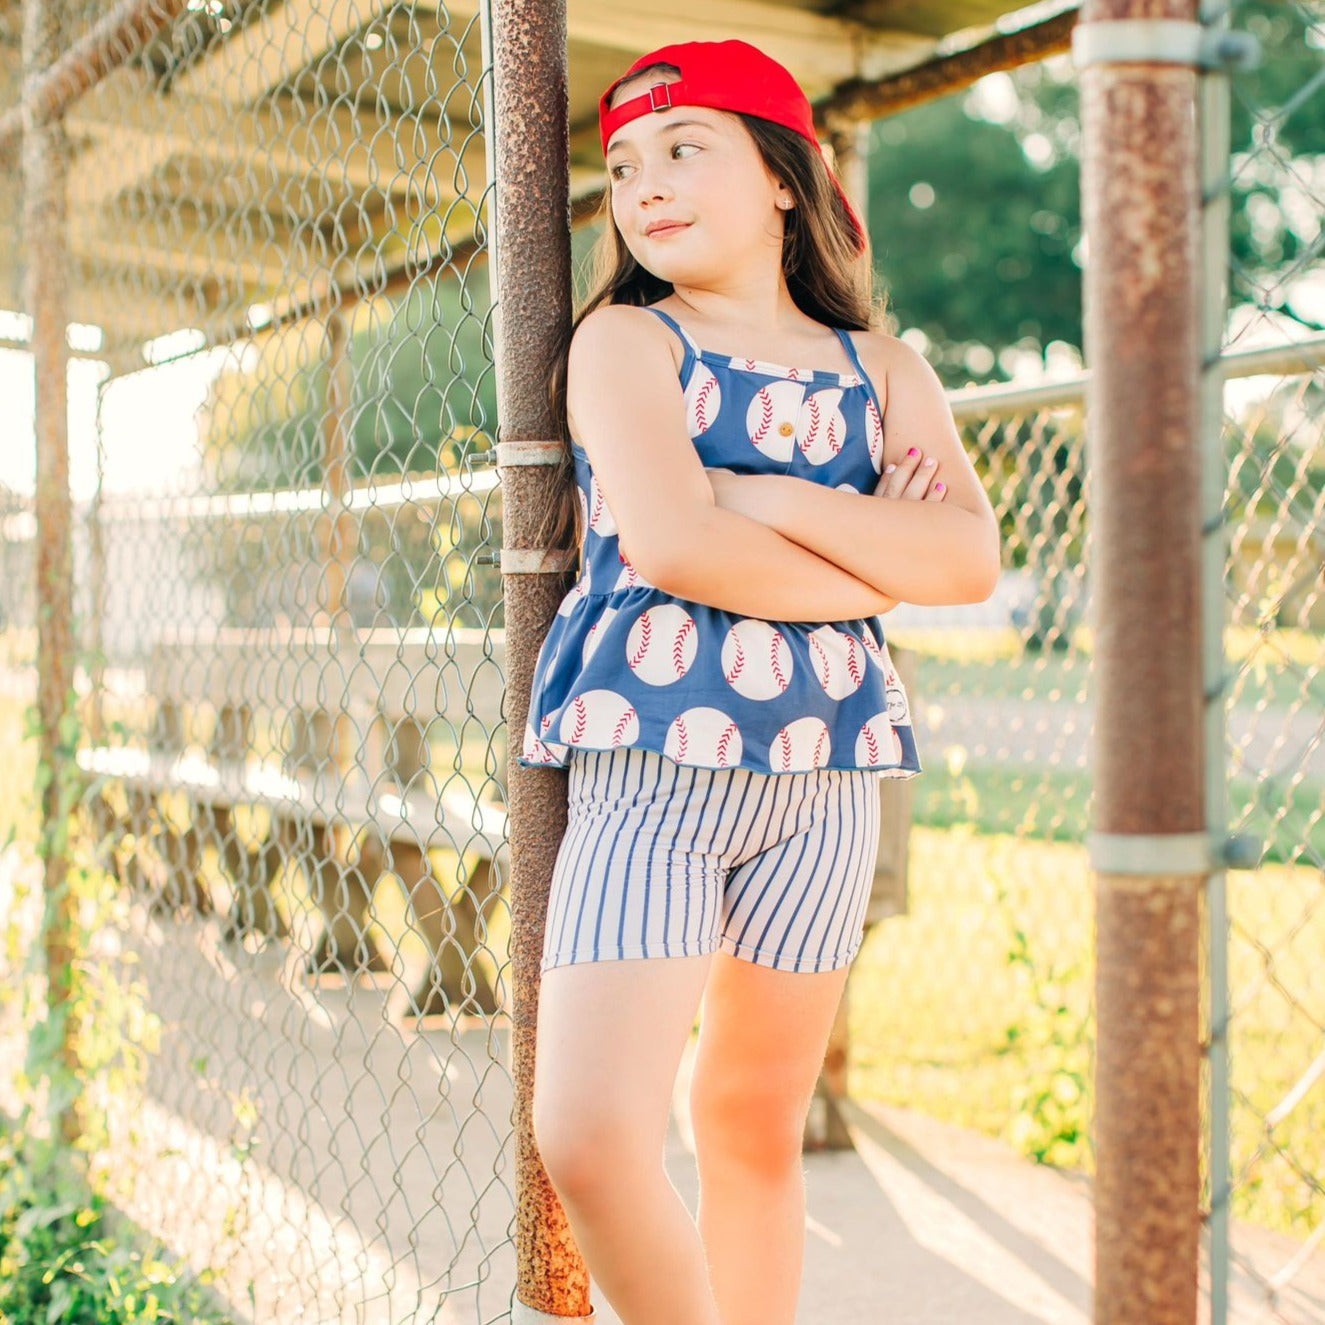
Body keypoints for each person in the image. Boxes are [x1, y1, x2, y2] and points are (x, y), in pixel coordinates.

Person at [519, 38, 1001, 1325]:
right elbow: (676, 541)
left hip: (824, 779)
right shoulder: (626, 345)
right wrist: (862, 558)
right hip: (656, 774)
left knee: (745, 1117)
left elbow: (964, 555)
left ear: (785, 179)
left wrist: (772, 495)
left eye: (685, 148)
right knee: (590, 1130)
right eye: (622, 165)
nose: (644, 183)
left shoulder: (880, 371)